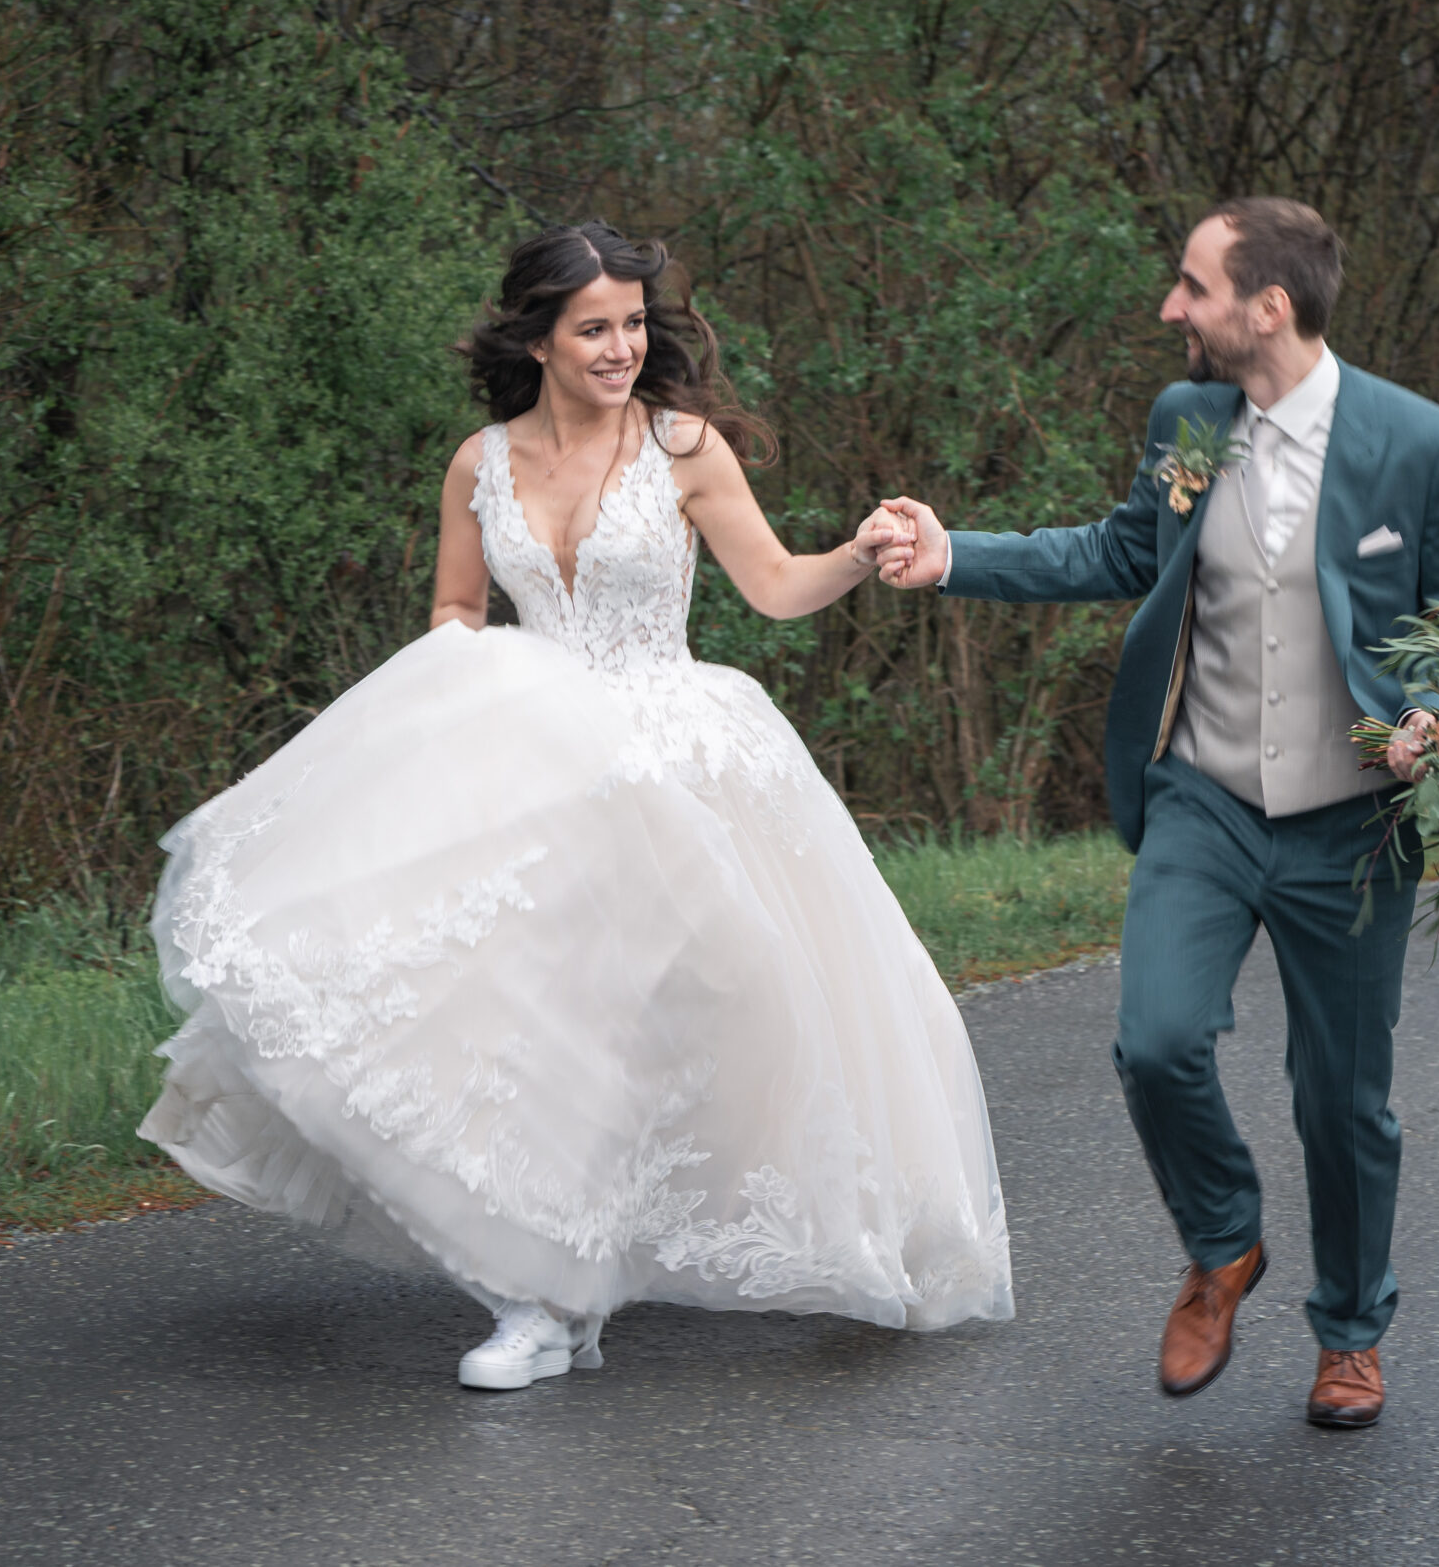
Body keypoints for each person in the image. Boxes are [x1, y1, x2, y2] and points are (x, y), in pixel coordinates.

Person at [141, 222, 1012, 1390]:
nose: (620, 348)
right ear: (539, 339)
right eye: (594, 328)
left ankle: (592, 1275)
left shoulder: (685, 447)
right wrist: (452, 722)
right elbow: (456, 616)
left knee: (679, 1024)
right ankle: (546, 1299)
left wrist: (857, 552)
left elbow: (772, 588)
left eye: (634, 324)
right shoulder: (478, 463)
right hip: (535, 761)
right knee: (518, 1018)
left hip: (675, 763)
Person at [871, 198, 1439, 1428]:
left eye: (1193, 288)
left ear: (1267, 308)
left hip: (1355, 825)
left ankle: (1350, 1331)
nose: (1173, 308)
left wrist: (1437, 714)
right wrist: (956, 557)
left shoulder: (1423, 448)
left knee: (1341, 1099)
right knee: (1155, 1039)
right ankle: (1222, 1244)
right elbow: (1120, 553)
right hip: (1204, 801)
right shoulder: (1188, 422)